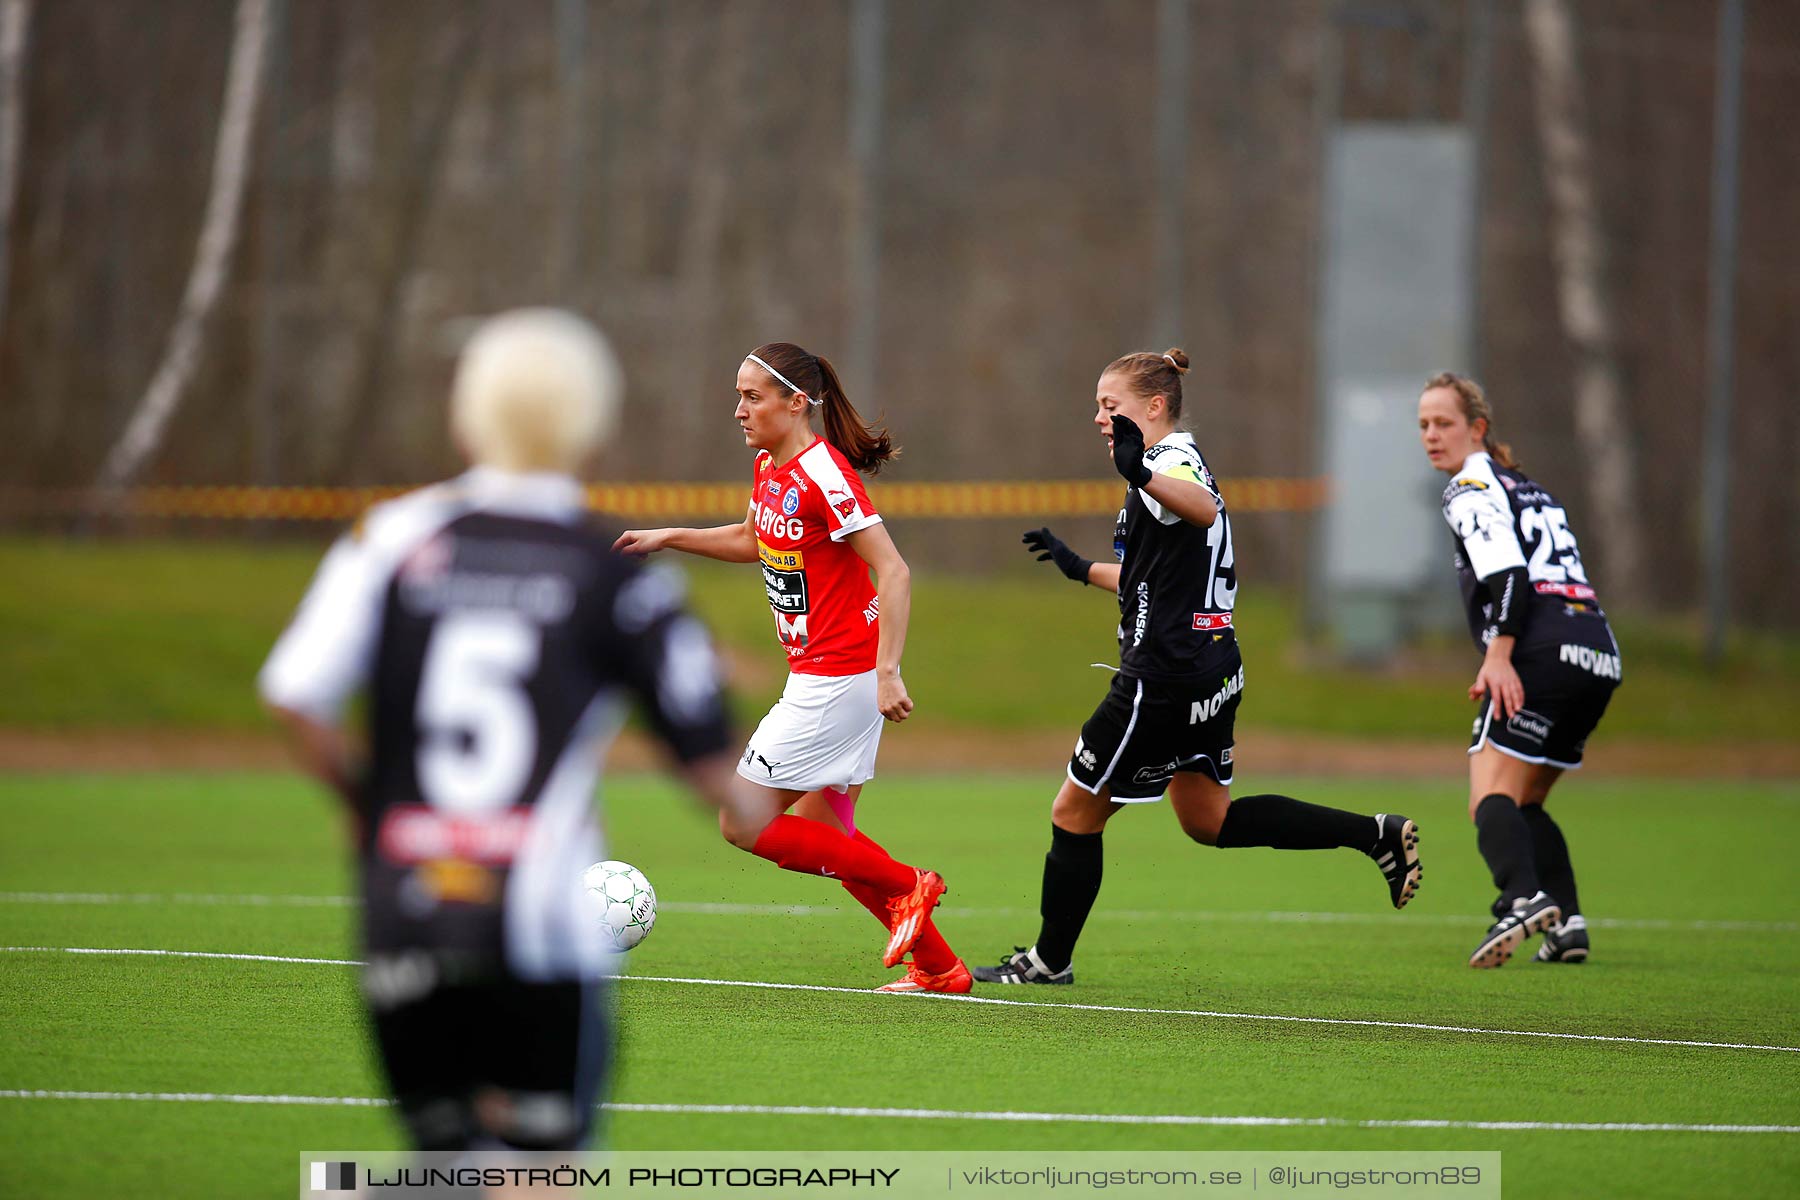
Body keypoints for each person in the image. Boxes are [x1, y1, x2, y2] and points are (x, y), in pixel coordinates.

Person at [259, 308, 773, 1151]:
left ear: (467, 416)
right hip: (539, 934)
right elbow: (714, 773)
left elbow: (293, 695)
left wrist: (367, 804)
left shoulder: (392, 538)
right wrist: (770, 811)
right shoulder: (614, 575)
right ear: (592, 427)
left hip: (407, 920)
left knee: (447, 1165)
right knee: (539, 1170)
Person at [972, 349, 1422, 986]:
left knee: (1073, 814)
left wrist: (1141, 474)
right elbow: (1154, 575)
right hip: (1210, 666)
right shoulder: (1165, 464)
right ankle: (1374, 833)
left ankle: (1049, 962)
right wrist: (1078, 568)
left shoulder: (1167, 461)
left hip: (1163, 677)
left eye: (1111, 405)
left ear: (1154, 407)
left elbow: (1202, 507)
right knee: (1209, 821)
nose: (1100, 418)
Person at [613, 342, 968, 994]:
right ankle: (942, 969)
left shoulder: (825, 474)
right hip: (826, 674)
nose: (739, 409)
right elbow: (753, 540)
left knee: (741, 821)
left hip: (841, 679)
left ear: (795, 402)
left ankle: (910, 884)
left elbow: (893, 570)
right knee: (830, 833)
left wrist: (889, 670)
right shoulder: (769, 466)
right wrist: (669, 537)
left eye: (752, 396)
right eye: (740, 395)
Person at [1418, 372, 1621, 967]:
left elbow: (1508, 577)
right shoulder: (1528, 488)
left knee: (1491, 797)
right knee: (1527, 799)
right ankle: (1568, 924)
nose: (1431, 435)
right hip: (1598, 653)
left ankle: (1522, 898)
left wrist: (1499, 654)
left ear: (1477, 428)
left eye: (1444, 423)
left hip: (1540, 651)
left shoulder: (1470, 487)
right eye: (1424, 424)